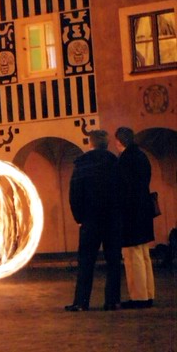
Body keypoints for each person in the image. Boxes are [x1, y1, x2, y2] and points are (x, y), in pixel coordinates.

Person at [65, 130, 122, 311]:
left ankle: (81, 302)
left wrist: (79, 218)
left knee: (86, 261)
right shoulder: (115, 163)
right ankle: (112, 301)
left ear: (91, 143)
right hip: (112, 219)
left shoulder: (82, 164)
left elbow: (74, 193)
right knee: (113, 260)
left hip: (90, 219)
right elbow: (122, 191)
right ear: (106, 144)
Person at [115, 127, 155, 309]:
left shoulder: (125, 160)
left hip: (131, 213)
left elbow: (123, 190)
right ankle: (148, 293)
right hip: (144, 211)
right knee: (144, 254)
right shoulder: (141, 156)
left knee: (133, 256)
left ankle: (139, 297)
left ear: (119, 141)